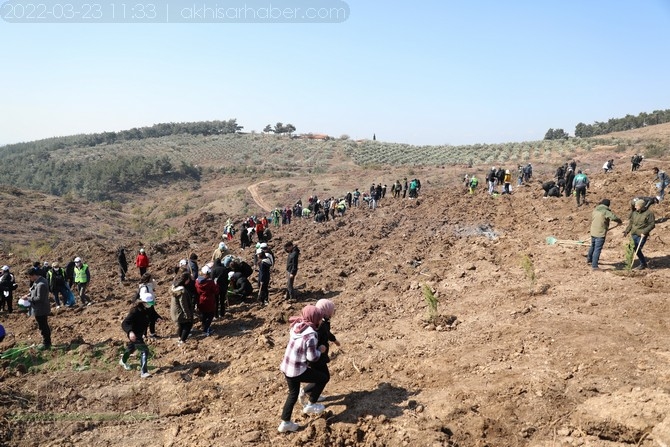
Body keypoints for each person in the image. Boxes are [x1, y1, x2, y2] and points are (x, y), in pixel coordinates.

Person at [278, 305, 329, 433]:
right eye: (319, 319)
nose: (320, 321)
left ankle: (285, 423)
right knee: (323, 378)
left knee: (293, 394)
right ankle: (311, 404)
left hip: (287, 367)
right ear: (315, 319)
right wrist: (320, 350)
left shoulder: (298, 325)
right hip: (297, 369)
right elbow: (312, 357)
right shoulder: (311, 335)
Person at [299, 299, 340, 405]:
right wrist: (322, 355)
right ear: (325, 311)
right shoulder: (320, 325)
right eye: (331, 310)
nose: (332, 312)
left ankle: (311, 393)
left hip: (317, 355)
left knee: (319, 376)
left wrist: (334, 340)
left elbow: (328, 333)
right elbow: (320, 337)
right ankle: (309, 396)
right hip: (317, 356)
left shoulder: (320, 322)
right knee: (324, 377)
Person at [120, 292, 155, 378]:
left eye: (152, 303)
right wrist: (130, 332)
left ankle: (123, 361)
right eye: (149, 303)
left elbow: (153, 314)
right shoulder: (135, 311)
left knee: (131, 348)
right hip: (133, 334)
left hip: (139, 333)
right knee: (144, 350)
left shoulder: (148, 308)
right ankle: (144, 372)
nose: (151, 305)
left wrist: (157, 318)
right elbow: (125, 323)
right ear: (143, 302)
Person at [587, 199, 622, 270]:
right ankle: (594, 266)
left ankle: (589, 259)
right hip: (600, 232)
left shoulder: (595, 210)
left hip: (593, 231)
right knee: (597, 249)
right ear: (608, 205)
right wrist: (619, 221)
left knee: (593, 246)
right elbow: (614, 217)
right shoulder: (605, 211)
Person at [24, 267, 51, 350]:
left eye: (30, 277)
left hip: (41, 309)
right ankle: (47, 341)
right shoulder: (38, 281)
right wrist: (29, 295)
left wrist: (27, 299)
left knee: (43, 326)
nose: (30, 279)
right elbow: (35, 292)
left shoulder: (41, 284)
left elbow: (39, 298)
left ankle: (46, 343)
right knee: (43, 325)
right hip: (39, 308)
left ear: (34, 275)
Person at [624, 199, 656, 270]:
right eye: (635, 205)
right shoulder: (634, 213)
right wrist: (627, 231)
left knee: (637, 248)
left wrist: (644, 232)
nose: (635, 207)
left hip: (642, 235)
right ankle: (629, 263)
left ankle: (643, 264)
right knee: (630, 248)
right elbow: (631, 223)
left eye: (637, 205)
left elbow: (652, 224)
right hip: (634, 234)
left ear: (641, 206)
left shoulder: (649, 213)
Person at [171, 271, 195, 345]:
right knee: (188, 324)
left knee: (181, 324)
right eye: (189, 279)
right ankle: (182, 340)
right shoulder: (182, 291)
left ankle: (180, 337)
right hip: (180, 311)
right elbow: (183, 304)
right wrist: (187, 314)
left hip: (175, 311)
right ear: (186, 280)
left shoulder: (174, 287)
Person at [195, 265, 218, 336]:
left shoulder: (197, 282)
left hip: (201, 300)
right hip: (209, 300)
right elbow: (216, 291)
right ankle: (206, 329)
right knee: (210, 315)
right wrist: (216, 284)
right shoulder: (210, 282)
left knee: (204, 314)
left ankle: (204, 325)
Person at [138, 273, 162, 338]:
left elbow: (155, 285)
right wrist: (147, 303)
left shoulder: (149, 285)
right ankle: (144, 334)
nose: (152, 279)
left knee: (152, 318)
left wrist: (153, 280)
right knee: (147, 319)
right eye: (151, 278)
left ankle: (151, 333)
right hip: (147, 304)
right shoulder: (144, 287)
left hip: (150, 303)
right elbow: (143, 297)